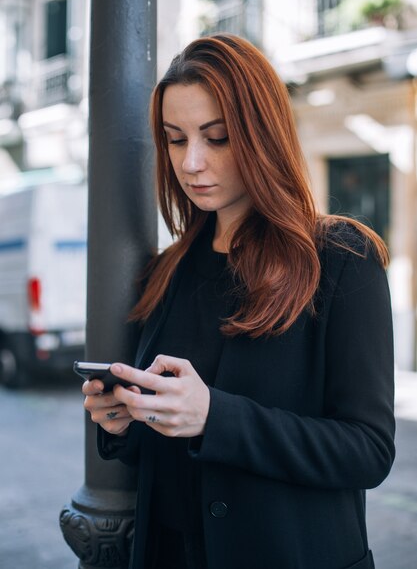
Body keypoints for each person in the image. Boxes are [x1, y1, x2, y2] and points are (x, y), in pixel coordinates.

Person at [83, 34, 395, 569]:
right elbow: (158, 450)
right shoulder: (168, 271)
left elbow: (368, 450)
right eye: (175, 140)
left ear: (261, 133)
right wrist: (122, 422)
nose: (192, 163)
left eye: (217, 137)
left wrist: (216, 418)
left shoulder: (342, 258)